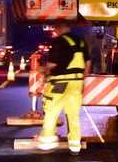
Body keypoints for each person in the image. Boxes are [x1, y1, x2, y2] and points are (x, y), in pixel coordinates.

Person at [36, 18, 89, 154]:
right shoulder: (80, 41)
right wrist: (80, 78)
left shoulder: (59, 42)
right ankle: (75, 145)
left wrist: (42, 68)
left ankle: (47, 142)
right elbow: (87, 64)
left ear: (57, 29)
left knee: (51, 110)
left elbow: (53, 64)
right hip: (77, 83)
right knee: (73, 114)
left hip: (60, 82)